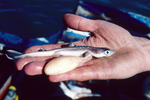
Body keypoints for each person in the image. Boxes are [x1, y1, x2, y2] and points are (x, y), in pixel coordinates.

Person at [15, 14, 150, 82]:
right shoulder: (90, 51)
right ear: (97, 51)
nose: (107, 54)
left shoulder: (93, 51)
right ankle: (19, 56)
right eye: (106, 52)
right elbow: (86, 54)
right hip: (59, 52)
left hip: (63, 51)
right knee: (39, 56)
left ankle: (20, 56)